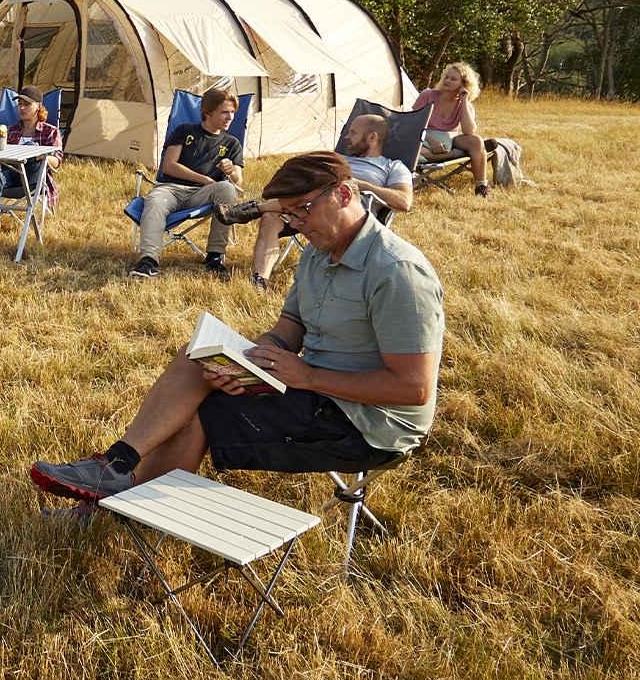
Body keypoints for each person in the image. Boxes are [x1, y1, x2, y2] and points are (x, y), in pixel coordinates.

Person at [31, 151, 443, 501]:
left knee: (203, 412)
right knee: (199, 362)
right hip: (313, 391)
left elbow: (412, 388)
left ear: (346, 193)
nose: (296, 223)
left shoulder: (396, 272)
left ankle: (129, 510)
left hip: (369, 426)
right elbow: (290, 328)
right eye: (288, 215)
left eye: (303, 210)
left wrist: (309, 376)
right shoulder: (320, 253)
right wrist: (250, 361)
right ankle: (117, 464)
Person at [234, 110, 414, 289]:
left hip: (342, 214)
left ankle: (255, 208)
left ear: (372, 137)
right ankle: (260, 280)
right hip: (304, 208)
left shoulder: (392, 167)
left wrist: (359, 184)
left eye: (353, 133)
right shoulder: (337, 159)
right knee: (270, 219)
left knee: (318, 194)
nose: (346, 137)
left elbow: (404, 201)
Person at [132, 86, 245, 280]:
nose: (230, 117)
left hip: (204, 196)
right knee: (155, 201)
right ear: (207, 112)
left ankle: (215, 257)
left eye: (233, 112)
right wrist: (205, 179)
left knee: (227, 189)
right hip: (171, 189)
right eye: (225, 112)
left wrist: (231, 170)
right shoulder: (185, 131)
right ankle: (148, 260)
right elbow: (169, 166)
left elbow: (238, 181)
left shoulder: (232, 143)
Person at [0, 86, 63, 234]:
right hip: (10, 174)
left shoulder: (51, 131)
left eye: (26, 104)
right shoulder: (11, 130)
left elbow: (57, 161)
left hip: (33, 178)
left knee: (32, 147)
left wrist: (41, 154)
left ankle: (32, 151)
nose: (21, 107)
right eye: (19, 103)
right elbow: (0, 160)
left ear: (38, 107)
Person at [412, 61, 491, 196]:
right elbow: (412, 123)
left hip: (449, 139)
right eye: (447, 77)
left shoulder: (464, 104)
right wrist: (431, 140)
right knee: (415, 150)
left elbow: (468, 131)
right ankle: (450, 154)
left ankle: (481, 187)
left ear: (464, 84)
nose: (447, 80)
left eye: (453, 79)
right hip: (422, 135)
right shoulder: (428, 95)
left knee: (477, 141)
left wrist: (465, 100)